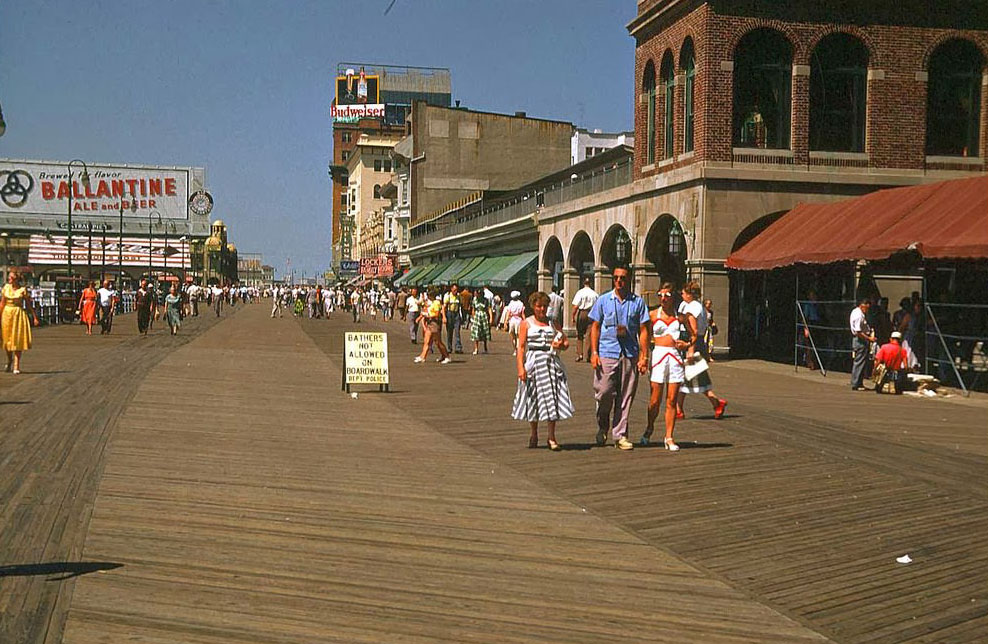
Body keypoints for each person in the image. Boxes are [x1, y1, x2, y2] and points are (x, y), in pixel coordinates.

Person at [588, 265, 650, 451]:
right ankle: (602, 425)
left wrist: (644, 356)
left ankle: (620, 435)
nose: (619, 281)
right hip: (607, 351)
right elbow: (595, 327)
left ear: (628, 279)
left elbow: (644, 330)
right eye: (616, 278)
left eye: (622, 278)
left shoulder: (637, 302)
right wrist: (594, 353)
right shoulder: (603, 300)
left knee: (626, 396)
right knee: (604, 392)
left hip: (630, 353)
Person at [512, 291, 573, 451]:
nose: (542, 309)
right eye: (539, 306)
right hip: (533, 362)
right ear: (533, 306)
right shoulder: (526, 323)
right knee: (534, 398)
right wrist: (520, 367)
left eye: (544, 306)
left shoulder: (553, 323)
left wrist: (560, 345)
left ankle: (551, 436)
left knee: (551, 398)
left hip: (551, 362)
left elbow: (565, 342)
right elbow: (521, 347)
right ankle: (534, 433)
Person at [643, 284, 690, 450]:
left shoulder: (681, 317)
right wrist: (644, 356)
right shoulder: (653, 315)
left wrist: (687, 345)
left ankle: (669, 436)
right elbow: (644, 336)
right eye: (660, 295)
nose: (663, 298)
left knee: (672, 400)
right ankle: (649, 428)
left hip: (675, 357)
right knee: (655, 399)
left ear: (673, 297)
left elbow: (693, 335)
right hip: (658, 356)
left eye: (667, 295)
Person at [676, 281, 728, 419]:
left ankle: (716, 402)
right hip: (694, 342)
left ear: (689, 294)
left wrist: (690, 348)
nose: (682, 294)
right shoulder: (696, 306)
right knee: (684, 377)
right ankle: (678, 409)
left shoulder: (693, 307)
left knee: (695, 376)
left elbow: (693, 330)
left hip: (691, 342)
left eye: (683, 292)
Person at [1, 270, 40, 374]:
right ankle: (9, 360)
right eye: (9, 277)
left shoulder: (22, 290)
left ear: (16, 279)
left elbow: (28, 305)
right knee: (7, 340)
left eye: (11, 277)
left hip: (18, 314)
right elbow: (2, 303)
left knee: (17, 339)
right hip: (6, 314)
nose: (9, 279)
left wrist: (35, 317)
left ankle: (16, 365)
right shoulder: (6, 288)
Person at [414, 286, 450, 364]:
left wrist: (428, 315)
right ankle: (422, 357)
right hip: (430, 323)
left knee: (438, 342)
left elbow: (436, 314)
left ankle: (446, 356)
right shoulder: (432, 303)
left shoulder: (436, 303)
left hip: (435, 323)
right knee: (426, 341)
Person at [849, 297, 876, 390]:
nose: (867, 310)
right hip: (860, 340)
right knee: (859, 361)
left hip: (861, 339)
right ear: (862, 306)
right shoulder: (859, 315)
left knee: (861, 361)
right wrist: (869, 338)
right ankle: (855, 383)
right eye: (867, 308)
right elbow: (858, 331)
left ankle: (858, 382)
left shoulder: (856, 312)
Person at [571, 277, 598, 362]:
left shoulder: (580, 292)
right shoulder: (595, 294)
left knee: (579, 334)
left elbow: (575, 306)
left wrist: (573, 316)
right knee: (589, 335)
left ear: (583, 283)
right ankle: (587, 355)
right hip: (591, 313)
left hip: (582, 313)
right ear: (591, 283)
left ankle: (580, 354)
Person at [470, 288, 493, 354]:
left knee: (485, 332)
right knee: (476, 332)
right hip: (477, 316)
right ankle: (476, 348)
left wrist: (491, 317)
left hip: (484, 316)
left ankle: (485, 348)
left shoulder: (486, 300)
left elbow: (489, 308)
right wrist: (473, 317)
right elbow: (473, 309)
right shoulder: (474, 300)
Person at [442, 284, 463, 354]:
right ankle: (449, 348)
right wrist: (444, 317)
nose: (455, 291)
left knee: (457, 331)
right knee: (449, 332)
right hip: (449, 313)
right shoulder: (447, 296)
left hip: (456, 314)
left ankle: (458, 348)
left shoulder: (458, 296)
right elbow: (444, 307)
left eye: (456, 290)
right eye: (454, 290)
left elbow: (460, 305)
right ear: (451, 289)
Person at [504, 291, 526, 356]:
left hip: (512, 320)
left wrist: (505, 322)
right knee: (518, 336)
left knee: (513, 336)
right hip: (519, 320)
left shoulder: (510, 303)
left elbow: (508, 313)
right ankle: (518, 349)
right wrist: (525, 321)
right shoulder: (521, 303)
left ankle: (515, 350)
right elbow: (522, 314)